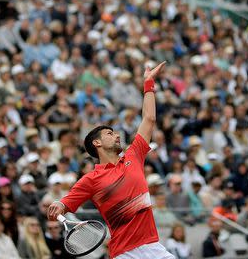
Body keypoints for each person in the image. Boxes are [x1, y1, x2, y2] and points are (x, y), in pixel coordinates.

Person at [48, 61, 175, 259]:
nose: (116, 136)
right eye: (110, 133)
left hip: (153, 246)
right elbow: (65, 203)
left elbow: (149, 119)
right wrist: (58, 204)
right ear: (97, 143)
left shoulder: (134, 155)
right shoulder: (91, 179)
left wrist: (148, 83)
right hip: (124, 253)